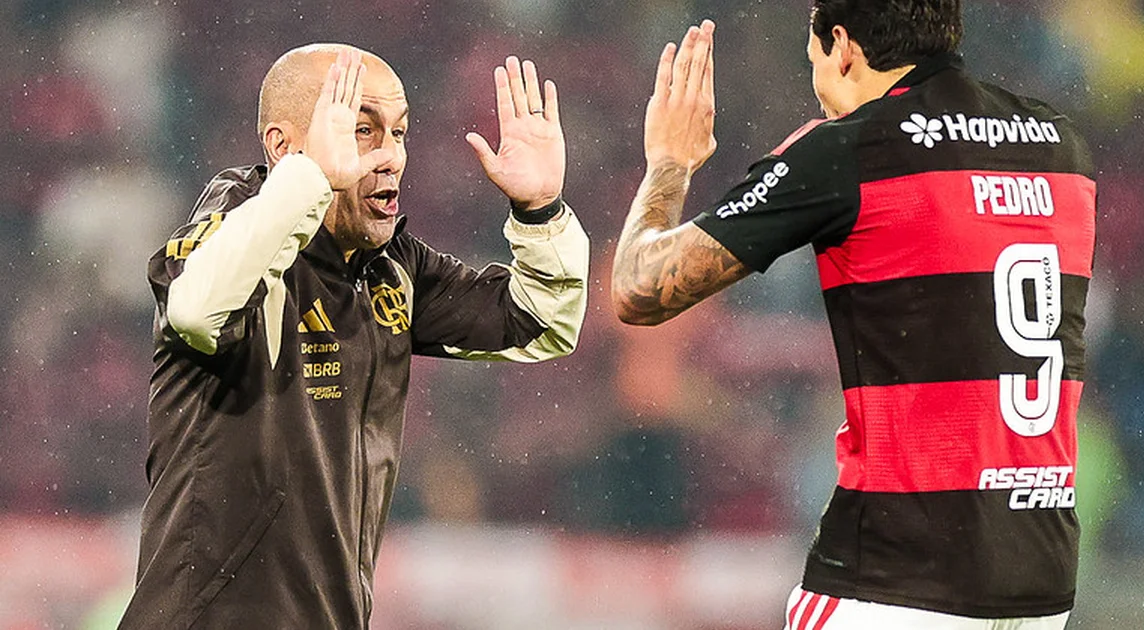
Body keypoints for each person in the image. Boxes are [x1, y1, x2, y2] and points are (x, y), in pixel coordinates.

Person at [611, 2, 1095, 628]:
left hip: (897, 580)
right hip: (1039, 576)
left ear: (842, 44)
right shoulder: (1062, 145)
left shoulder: (850, 149)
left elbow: (638, 290)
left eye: (810, 53)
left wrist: (670, 164)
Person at [119, 44, 588, 628]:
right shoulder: (236, 218)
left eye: (400, 133)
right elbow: (196, 309)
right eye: (362, 130)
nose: (390, 156)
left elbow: (543, 322)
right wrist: (311, 178)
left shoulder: (391, 266)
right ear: (283, 147)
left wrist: (540, 211)